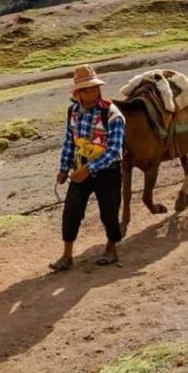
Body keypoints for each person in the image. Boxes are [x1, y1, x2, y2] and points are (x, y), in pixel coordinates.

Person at [50, 65, 126, 271]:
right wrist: (64, 168)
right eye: (85, 90)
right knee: (71, 211)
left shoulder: (112, 114)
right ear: (78, 94)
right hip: (80, 169)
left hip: (107, 171)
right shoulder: (73, 112)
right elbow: (70, 142)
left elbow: (114, 151)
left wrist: (89, 169)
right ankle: (67, 255)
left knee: (109, 212)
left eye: (94, 89)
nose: (91, 93)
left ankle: (111, 249)